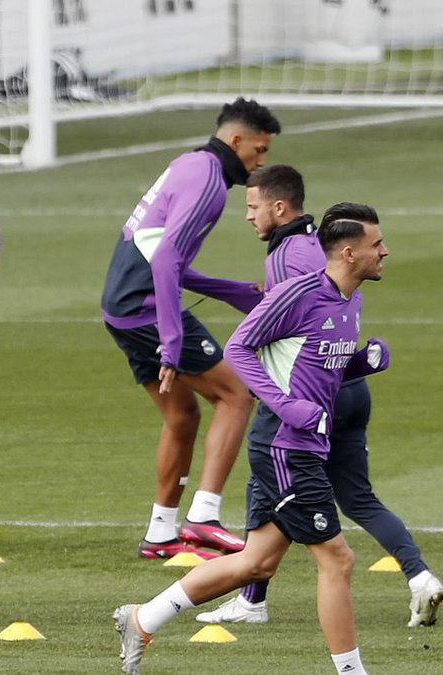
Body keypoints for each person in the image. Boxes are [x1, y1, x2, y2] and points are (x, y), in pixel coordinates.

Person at [114, 211, 391, 675]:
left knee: (256, 563)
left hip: (304, 444)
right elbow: (239, 348)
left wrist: (362, 363)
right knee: (338, 559)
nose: (384, 251)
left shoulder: (351, 300)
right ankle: (351, 673)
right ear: (349, 252)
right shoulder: (298, 294)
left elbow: (315, 366)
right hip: (287, 447)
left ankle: (142, 618)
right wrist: (286, 407)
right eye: (377, 243)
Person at [196, 175, 443, 627]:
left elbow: (270, 331)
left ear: (280, 207)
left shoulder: (290, 258)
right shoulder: (322, 257)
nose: (249, 214)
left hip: (304, 399)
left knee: (272, 488)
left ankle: (247, 601)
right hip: (347, 394)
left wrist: (285, 401)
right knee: (357, 498)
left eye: (253, 206)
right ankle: (420, 577)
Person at [100, 98, 280, 560]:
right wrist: (172, 342)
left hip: (122, 304)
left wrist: (229, 291)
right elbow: (163, 260)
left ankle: (161, 534)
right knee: (237, 394)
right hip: (146, 307)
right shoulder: (210, 182)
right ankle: (204, 516)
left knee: (183, 416)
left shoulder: (189, 165)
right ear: (235, 140)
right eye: (259, 151)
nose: (261, 163)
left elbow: (154, 248)